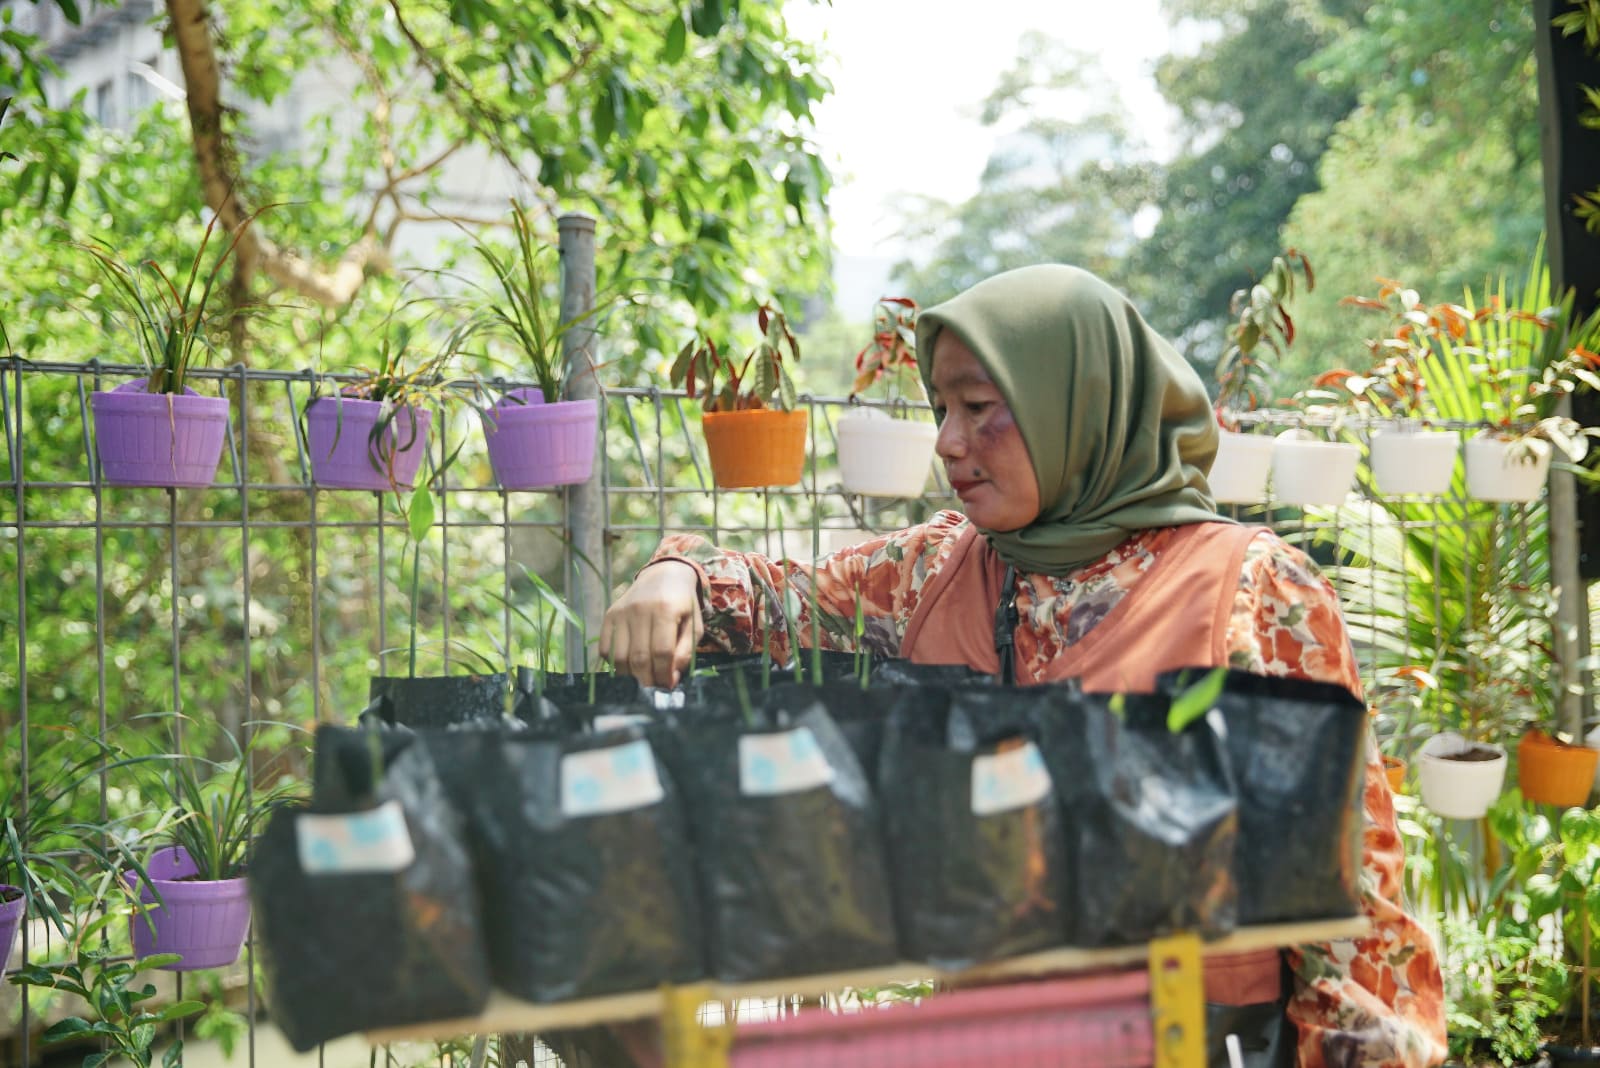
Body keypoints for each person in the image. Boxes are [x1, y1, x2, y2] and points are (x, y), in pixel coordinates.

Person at [598, 264, 1446, 1068]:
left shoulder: (1249, 590)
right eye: (940, 407)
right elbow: (773, 599)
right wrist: (675, 572)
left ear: (1075, 405)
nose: (948, 442)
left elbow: (1350, 907)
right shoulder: (939, 571)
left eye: (980, 407)